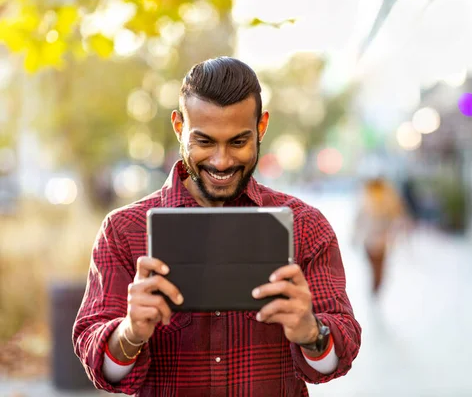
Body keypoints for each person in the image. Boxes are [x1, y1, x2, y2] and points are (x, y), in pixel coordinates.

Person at [72, 57, 361, 396]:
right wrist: (130, 331)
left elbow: (342, 352)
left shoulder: (306, 226)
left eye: (238, 142)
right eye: (205, 141)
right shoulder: (122, 230)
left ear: (262, 127)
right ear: (179, 127)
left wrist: (312, 332)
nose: (222, 161)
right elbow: (98, 363)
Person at [353, 176, 408, 296]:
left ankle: (375, 289)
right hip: (370, 241)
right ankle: (375, 289)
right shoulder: (366, 199)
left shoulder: (388, 199)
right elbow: (359, 220)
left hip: (381, 241)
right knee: (376, 268)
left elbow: (397, 216)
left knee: (379, 269)